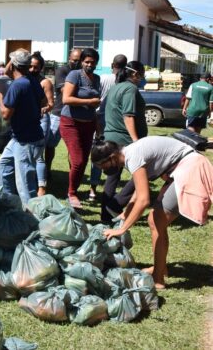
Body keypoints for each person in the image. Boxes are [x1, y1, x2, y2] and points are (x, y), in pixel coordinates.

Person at [92, 137, 213, 289]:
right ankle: (160, 268)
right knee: (157, 222)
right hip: (183, 167)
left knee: (155, 220)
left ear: (112, 157)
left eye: (102, 166)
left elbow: (144, 200)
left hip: (190, 168)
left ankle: (158, 278)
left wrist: (122, 229)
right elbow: (139, 189)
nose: (103, 171)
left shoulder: (133, 156)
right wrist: (126, 213)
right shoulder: (130, 153)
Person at [0, 50, 46, 204]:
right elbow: (42, 102)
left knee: (25, 186)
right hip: (23, 137)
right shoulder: (31, 81)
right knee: (2, 165)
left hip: (26, 141)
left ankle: (32, 220)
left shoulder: (17, 85)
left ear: (14, 65)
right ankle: (9, 203)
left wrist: (1, 98)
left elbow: (5, 115)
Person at [100, 61, 148, 222]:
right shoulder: (130, 89)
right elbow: (128, 115)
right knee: (143, 172)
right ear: (134, 74)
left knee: (112, 176)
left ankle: (106, 214)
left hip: (111, 136)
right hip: (124, 139)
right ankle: (116, 203)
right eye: (141, 74)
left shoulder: (115, 87)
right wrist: (136, 141)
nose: (142, 77)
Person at [60, 47, 101, 209]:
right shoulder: (74, 75)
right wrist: (88, 102)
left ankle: (74, 189)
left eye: (92, 62)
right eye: (86, 62)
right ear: (82, 62)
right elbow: (66, 99)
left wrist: (98, 127)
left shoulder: (96, 78)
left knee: (83, 161)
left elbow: (96, 106)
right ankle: (71, 193)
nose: (89, 65)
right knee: (77, 160)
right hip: (71, 123)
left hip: (89, 123)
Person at [89, 54, 128, 199]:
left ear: (112, 65)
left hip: (100, 118)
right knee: (114, 155)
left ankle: (93, 189)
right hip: (116, 122)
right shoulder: (124, 82)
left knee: (99, 152)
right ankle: (110, 187)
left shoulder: (103, 78)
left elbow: (96, 96)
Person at [45, 48, 82, 180]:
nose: (77, 63)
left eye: (79, 60)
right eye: (74, 60)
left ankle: (73, 174)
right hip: (59, 112)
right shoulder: (62, 71)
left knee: (73, 147)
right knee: (50, 144)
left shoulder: (83, 73)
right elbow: (64, 90)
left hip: (75, 113)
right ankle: (47, 170)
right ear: (69, 59)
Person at [28, 51, 54, 196]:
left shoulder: (45, 82)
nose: (32, 69)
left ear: (41, 68)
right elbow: (8, 71)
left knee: (38, 154)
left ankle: (41, 187)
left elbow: (51, 103)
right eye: (30, 66)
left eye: (36, 67)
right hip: (28, 120)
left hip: (41, 119)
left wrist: (43, 108)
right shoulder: (25, 80)